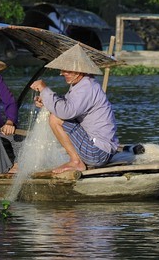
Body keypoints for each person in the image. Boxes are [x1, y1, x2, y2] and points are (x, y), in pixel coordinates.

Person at [30, 42, 118, 173]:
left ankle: (76, 162)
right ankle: (76, 159)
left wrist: (44, 89)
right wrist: (46, 101)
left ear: (79, 71)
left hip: (97, 152)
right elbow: (66, 104)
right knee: (54, 113)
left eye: (68, 70)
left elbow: (65, 112)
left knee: (55, 118)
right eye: (63, 70)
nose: (63, 73)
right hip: (98, 151)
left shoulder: (87, 87)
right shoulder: (81, 85)